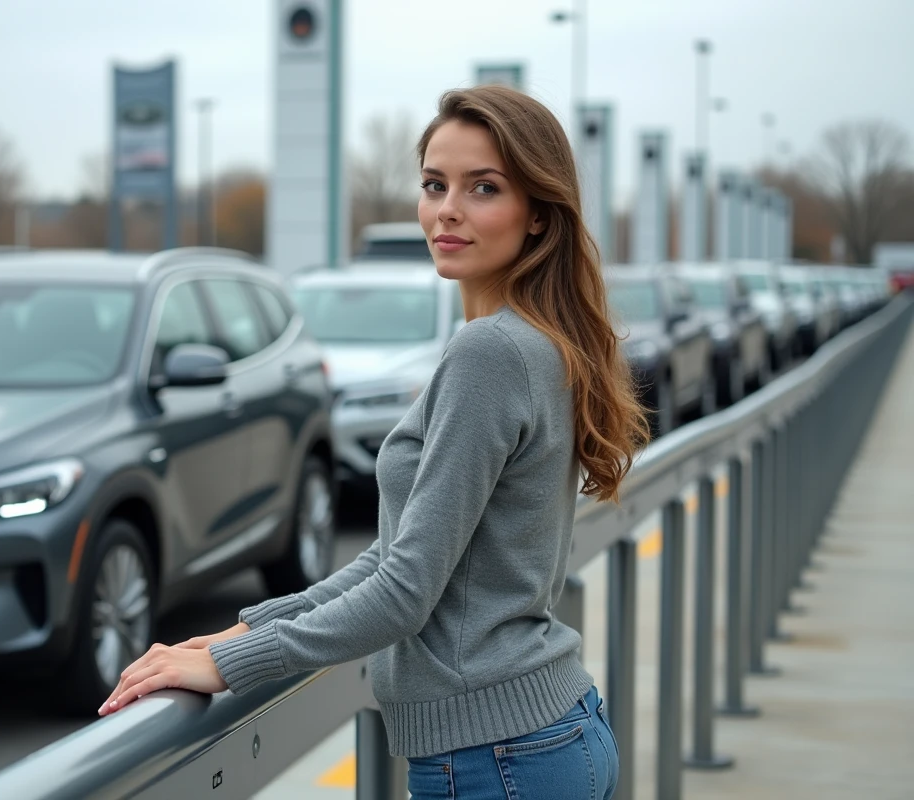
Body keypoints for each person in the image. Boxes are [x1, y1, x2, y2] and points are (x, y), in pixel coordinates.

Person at [97, 85, 649, 799]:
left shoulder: (491, 354)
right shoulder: (537, 344)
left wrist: (237, 665)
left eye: (484, 187)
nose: (447, 208)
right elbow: (396, 556)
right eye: (433, 184)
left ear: (539, 214)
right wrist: (242, 633)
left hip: (495, 757)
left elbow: (404, 595)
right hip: (553, 732)